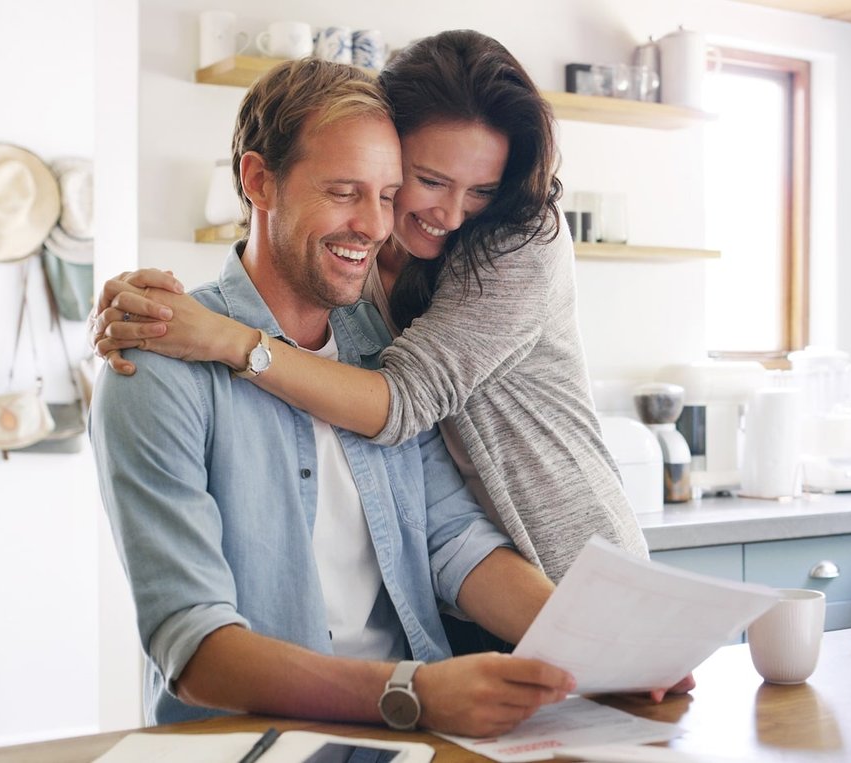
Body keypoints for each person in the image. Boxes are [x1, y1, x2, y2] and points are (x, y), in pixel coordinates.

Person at [91, 58, 577, 735]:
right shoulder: (158, 365)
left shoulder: (379, 350)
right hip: (252, 742)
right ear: (259, 181)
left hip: (408, 731)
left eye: (386, 194)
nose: (375, 225)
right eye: (345, 192)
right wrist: (413, 692)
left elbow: (452, 538)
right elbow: (193, 642)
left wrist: (598, 645)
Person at [91, 30, 645, 586]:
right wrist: (146, 301)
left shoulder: (519, 242)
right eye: (428, 181)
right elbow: (281, 247)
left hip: (572, 562)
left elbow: (401, 401)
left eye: (481, 190)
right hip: (458, 586)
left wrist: (225, 339)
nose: (453, 215)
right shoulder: (368, 256)